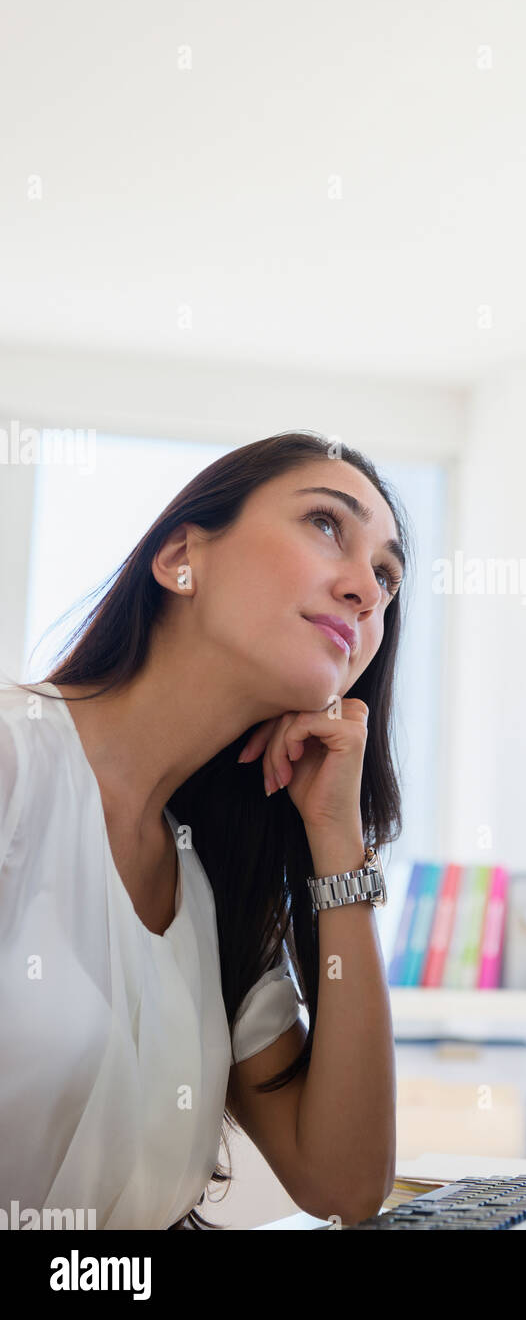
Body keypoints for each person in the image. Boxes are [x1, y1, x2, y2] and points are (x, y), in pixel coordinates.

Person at [0, 430, 411, 1229]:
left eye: (388, 577)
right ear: (180, 556)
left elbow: (344, 1184)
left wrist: (336, 838)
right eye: (328, 524)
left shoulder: (215, 881)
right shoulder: (16, 767)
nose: (367, 587)